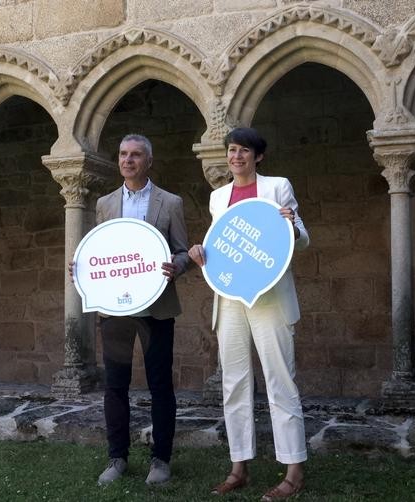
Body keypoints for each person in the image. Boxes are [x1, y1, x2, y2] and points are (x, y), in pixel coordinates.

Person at [188, 127, 310, 500]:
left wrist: (291, 223)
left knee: (280, 381)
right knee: (234, 382)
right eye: (231, 150)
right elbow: (219, 244)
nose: (236, 156)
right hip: (230, 300)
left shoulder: (277, 187)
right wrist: (199, 253)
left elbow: (302, 239)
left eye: (243, 151)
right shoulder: (218, 197)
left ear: (258, 156)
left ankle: (293, 471)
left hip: (270, 296)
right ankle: (238, 466)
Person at [72, 134, 190, 486]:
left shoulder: (170, 203)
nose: (128, 160)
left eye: (136, 155)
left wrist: (177, 265)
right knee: (115, 385)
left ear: (148, 161)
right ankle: (117, 458)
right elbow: (101, 251)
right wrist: (82, 267)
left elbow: (183, 251)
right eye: (123, 154)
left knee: (160, 386)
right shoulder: (106, 203)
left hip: (156, 307)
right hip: (115, 310)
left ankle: (161, 460)